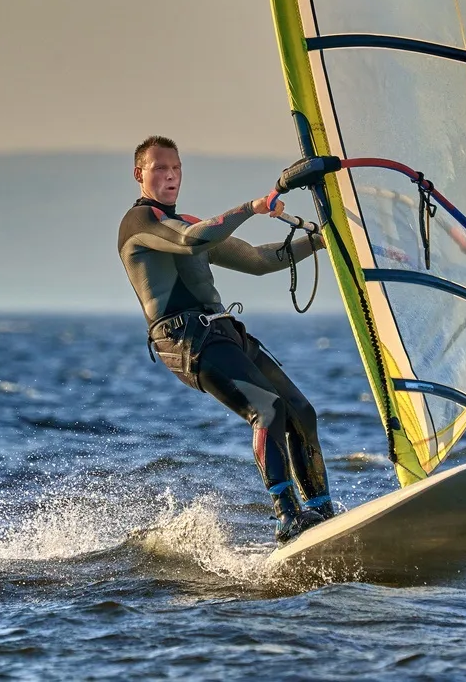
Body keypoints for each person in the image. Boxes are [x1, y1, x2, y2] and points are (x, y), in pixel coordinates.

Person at [118, 135, 334, 545]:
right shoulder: (140, 225)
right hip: (184, 341)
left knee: (301, 412)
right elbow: (190, 240)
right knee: (267, 411)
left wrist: (321, 241)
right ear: (139, 174)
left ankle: (322, 512)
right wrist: (251, 208)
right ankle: (287, 517)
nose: (170, 176)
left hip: (223, 331)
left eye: (176, 168)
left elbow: (258, 260)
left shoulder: (189, 224)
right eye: (160, 168)